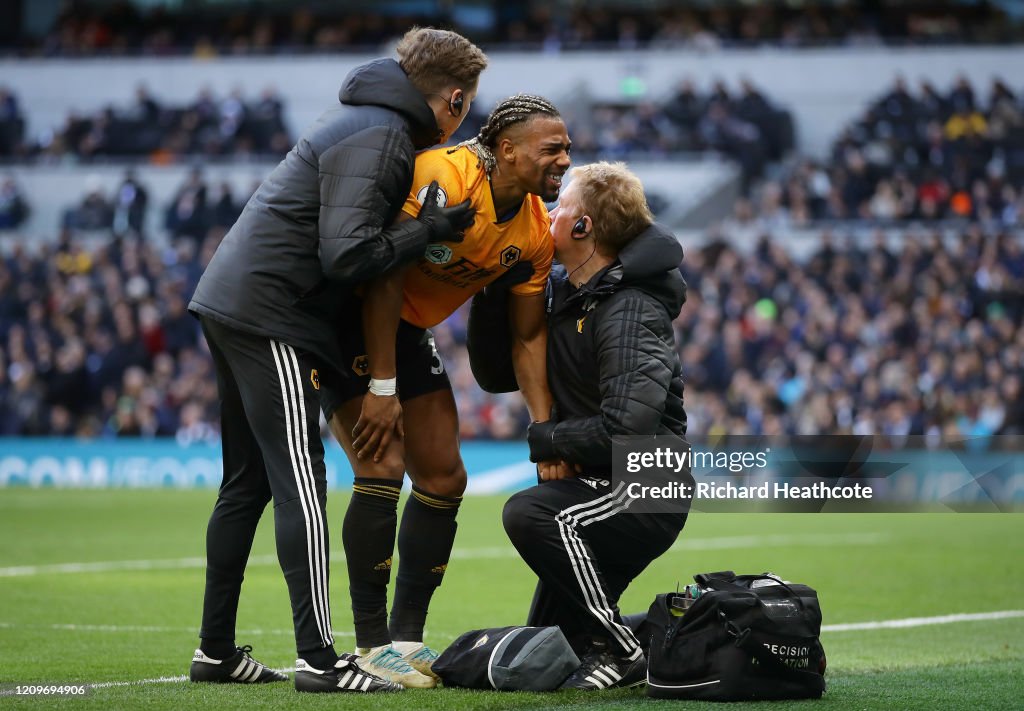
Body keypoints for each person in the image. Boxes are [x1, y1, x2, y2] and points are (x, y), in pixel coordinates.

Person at [185, 27, 487, 695]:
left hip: (236, 301)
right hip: (273, 312)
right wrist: (428, 230)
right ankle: (320, 662)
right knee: (302, 481)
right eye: (467, 108)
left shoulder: (363, 119)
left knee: (246, 484)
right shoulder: (384, 135)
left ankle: (215, 651)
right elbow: (347, 254)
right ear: (454, 100)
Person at [317, 95, 571, 687]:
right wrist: (382, 387)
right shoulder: (444, 175)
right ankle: (369, 645)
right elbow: (385, 270)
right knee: (382, 465)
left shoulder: (535, 231)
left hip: (407, 328)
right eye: (552, 149)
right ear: (508, 149)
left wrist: (545, 430)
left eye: (567, 149)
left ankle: (406, 638)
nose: (565, 160)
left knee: (444, 477)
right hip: (348, 314)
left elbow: (527, 337)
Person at [499, 162, 691, 690]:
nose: (549, 213)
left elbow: (626, 426)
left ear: (583, 227)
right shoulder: (565, 292)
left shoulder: (631, 308)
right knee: (549, 647)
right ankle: (669, 632)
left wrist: (546, 439)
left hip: (647, 483)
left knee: (531, 514)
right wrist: (499, 283)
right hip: (598, 479)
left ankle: (622, 649)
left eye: (561, 206)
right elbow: (494, 371)